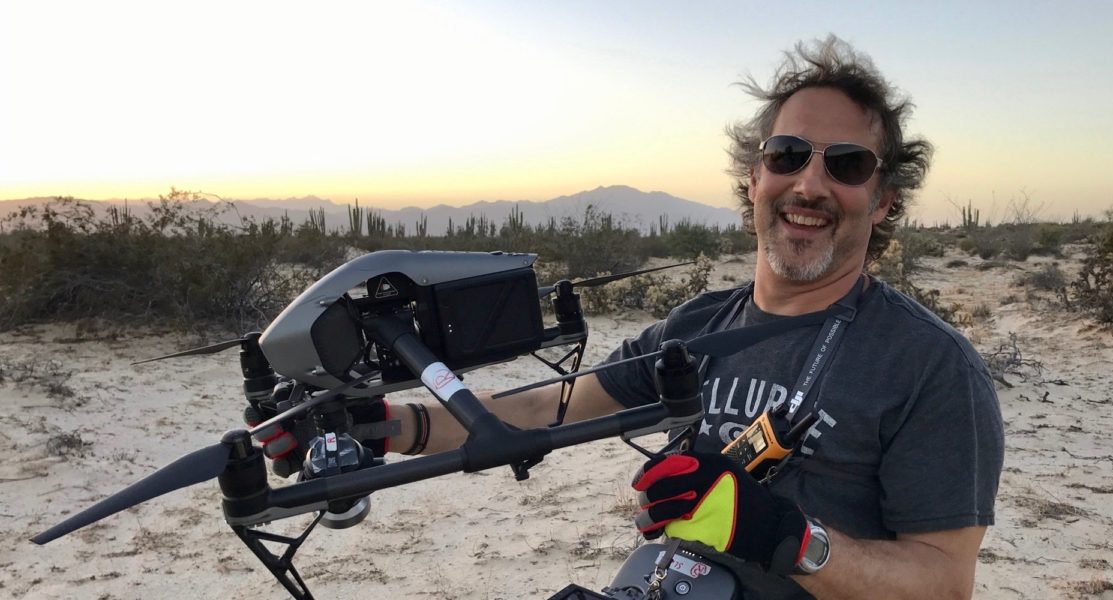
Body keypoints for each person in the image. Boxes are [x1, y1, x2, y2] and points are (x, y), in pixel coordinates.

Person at [267, 35, 1004, 599]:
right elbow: (550, 406)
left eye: (846, 164)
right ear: (755, 178)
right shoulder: (697, 328)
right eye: (787, 155)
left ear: (883, 200)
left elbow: (944, 582)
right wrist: (387, 426)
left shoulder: (929, 365)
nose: (809, 184)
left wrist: (786, 536)